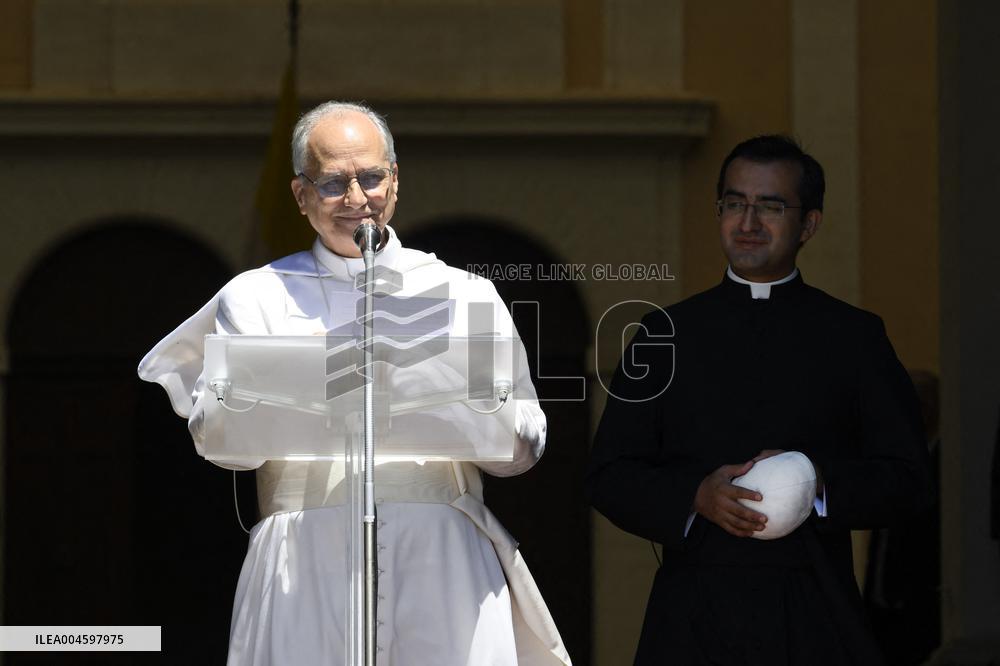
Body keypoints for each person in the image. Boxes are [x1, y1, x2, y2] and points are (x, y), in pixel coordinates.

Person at [138, 101, 570, 666]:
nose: (357, 199)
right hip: (303, 560)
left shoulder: (464, 293)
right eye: (333, 183)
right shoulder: (256, 296)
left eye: (371, 178)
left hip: (441, 561)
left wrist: (489, 414)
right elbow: (228, 448)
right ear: (300, 194)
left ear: (395, 180)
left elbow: (522, 447)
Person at [587, 135, 931, 665]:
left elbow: (908, 478)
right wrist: (695, 496)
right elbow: (607, 473)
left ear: (809, 224)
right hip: (692, 617)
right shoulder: (664, 334)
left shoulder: (854, 337)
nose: (747, 222)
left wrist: (815, 483)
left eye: (770, 206)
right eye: (734, 203)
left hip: (815, 611)